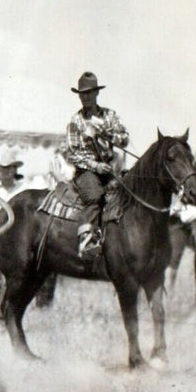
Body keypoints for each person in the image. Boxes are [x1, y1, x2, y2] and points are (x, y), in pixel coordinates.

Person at [62, 71, 130, 260]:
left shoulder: (110, 116)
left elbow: (124, 139)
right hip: (86, 171)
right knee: (95, 195)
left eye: (89, 93)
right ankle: (86, 239)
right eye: (82, 94)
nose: (85, 97)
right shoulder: (75, 121)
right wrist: (95, 166)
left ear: (96, 93)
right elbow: (72, 154)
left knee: (129, 192)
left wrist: (108, 135)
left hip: (110, 167)